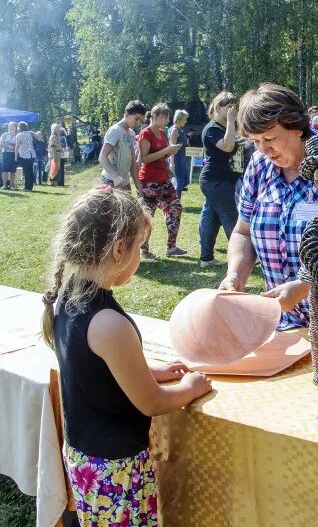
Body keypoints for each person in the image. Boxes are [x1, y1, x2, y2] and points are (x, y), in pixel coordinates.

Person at [41, 187, 212, 526]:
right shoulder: (109, 324)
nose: (139, 254)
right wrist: (191, 388)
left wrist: (153, 369)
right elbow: (151, 403)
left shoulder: (65, 296)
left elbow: (98, 369)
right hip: (116, 470)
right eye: (139, 246)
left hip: (84, 459)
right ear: (120, 249)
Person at [218, 82, 318, 330]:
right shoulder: (259, 165)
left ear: (297, 127)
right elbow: (243, 232)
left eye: (270, 138)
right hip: (284, 320)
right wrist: (235, 274)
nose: (263, 149)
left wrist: (304, 287)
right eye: (255, 141)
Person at [137, 103, 185, 259]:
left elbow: (160, 156)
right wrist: (166, 151)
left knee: (175, 208)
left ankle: (171, 247)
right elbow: (144, 158)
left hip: (164, 179)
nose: (166, 120)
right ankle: (143, 250)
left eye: (167, 117)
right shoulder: (146, 134)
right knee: (147, 215)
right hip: (149, 181)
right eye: (164, 117)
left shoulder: (163, 133)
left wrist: (168, 159)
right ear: (154, 117)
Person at [199, 91, 239, 268]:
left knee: (211, 218)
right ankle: (241, 258)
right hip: (215, 180)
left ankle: (206, 258)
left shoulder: (225, 127)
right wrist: (231, 121)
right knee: (231, 217)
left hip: (221, 179)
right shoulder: (213, 128)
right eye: (228, 106)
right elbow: (228, 146)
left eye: (234, 106)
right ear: (217, 107)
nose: (232, 110)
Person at [99, 100, 147, 191]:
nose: (138, 123)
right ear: (126, 114)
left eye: (140, 120)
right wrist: (115, 177)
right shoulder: (115, 131)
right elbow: (102, 156)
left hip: (125, 182)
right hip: (110, 181)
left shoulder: (132, 133)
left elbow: (133, 162)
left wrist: (138, 186)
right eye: (136, 119)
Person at [169, 109, 190, 198]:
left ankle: (172, 193)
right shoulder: (174, 130)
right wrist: (172, 162)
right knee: (180, 181)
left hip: (182, 158)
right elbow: (172, 147)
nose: (186, 121)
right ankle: (176, 202)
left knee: (186, 180)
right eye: (185, 119)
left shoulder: (180, 130)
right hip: (177, 159)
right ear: (180, 119)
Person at [14, 121, 36, 191]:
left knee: (26, 172)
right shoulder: (30, 133)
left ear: (19, 127)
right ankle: (30, 187)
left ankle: (27, 187)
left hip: (24, 155)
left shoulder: (19, 135)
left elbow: (17, 146)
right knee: (30, 171)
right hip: (32, 154)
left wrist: (15, 156)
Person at [1, 122, 17, 189]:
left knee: (12, 171)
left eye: (12, 126)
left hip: (14, 154)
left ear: (15, 127)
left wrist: (15, 148)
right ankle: (4, 185)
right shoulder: (5, 134)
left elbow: (19, 145)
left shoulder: (17, 135)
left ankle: (12, 185)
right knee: (5, 170)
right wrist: (8, 147)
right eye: (9, 126)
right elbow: (1, 143)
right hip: (5, 154)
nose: (11, 127)